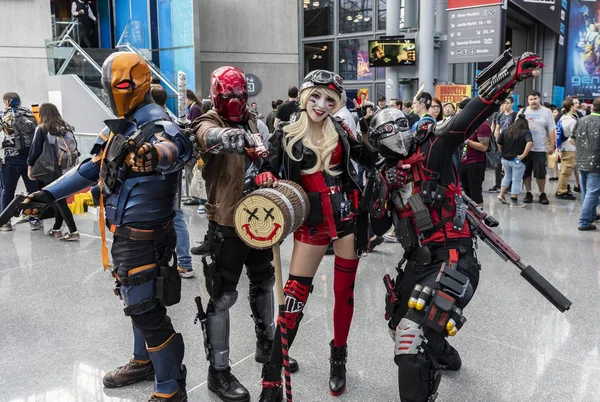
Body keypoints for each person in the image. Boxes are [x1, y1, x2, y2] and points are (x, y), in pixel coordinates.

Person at [365, 50, 543, 402]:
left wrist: (509, 77)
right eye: (386, 131)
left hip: (453, 257)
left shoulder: (433, 150)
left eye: (401, 125)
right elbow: (379, 224)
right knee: (397, 321)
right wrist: (381, 189)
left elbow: (468, 116)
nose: (397, 135)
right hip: (417, 262)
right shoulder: (384, 173)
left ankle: (430, 356)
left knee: (410, 338)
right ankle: (443, 353)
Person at [17, 53, 192, 400]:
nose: (115, 92)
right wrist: (48, 194)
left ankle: (171, 387)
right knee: (134, 299)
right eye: (110, 85)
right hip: (126, 232)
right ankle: (144, 361)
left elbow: (176, 147)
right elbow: (89, 169)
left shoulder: (158, 123)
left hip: (147, 233)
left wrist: (154, 155)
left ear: (140, 83)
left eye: (123, 84)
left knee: (145, 307)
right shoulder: (120, 127)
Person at [256, 70, 375, 400]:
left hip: (346, 219)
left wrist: (386, 144)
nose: (321, 104)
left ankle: (338, 358)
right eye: (316, 96)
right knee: (293, 300)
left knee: (344, 294)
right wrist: (265, 173)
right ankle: (271, 379)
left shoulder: (340, 131)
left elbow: (367, 156)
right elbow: (268, 163)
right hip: (311, 224)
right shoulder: (285, 135)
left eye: (329, 100)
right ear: (304, 96)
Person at [193, 66, 298, 402]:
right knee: (222, 296)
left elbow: (264, 158)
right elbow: (209, 137)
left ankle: (266, 345)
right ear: (216, 96)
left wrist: (267, 170)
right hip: (226, 220)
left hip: (258, 217)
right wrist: (229, 138)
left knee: (264, 281)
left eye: (242, 96)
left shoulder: (251, 121)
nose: (237, 102)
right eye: (230, 97)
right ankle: (218, 373)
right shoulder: (206, 121)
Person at [151, 84, 195, 278]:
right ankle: (181, 262)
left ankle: (183, 262)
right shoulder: (172, 120)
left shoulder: (158, 123)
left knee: (174, 218)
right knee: (175, 218)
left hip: (162, 179)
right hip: (172, 179)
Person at [26, 103, 80, 239]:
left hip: (51, 169)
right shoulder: (67, 127)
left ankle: (73, 231)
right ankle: (56, 229)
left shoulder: (43, 129)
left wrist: (30, 167)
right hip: (68, 168)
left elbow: (35, 150)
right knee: (58, 198)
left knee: (59, 200)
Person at [0, 92, 41, 231]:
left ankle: (5, 222)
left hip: (9, 159)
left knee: (8, 190)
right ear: (20, 101)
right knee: (32, 190)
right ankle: (34, 219)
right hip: (29, 158)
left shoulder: (2, 115)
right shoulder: (30, 113)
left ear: (6, 102)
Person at [569, 97, 600, 230]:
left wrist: (583, 149)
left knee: (586, 192)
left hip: (581, 159)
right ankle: (584, 221)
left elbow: (571, 139)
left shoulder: (581, 120)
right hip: (596, 162)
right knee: (593, 192)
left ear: (592, 107)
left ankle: (591, 215)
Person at [520, 90, 556, 205]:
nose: (533, 101)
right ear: (528, 100)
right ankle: (528, 192)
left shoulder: (547, 112)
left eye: (535, 98)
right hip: (524, 149)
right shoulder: (523, 111)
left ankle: (542, 193)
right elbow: (516, 128)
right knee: (526, 172)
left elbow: (551, 129)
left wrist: (552, 144)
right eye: (531, 99)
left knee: (540, 172)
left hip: (539, 149)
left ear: (539, 98)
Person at [496, 114, 533, 207]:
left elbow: (499, 143)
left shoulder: (505, 131)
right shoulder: (526, 132)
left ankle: (501, 194)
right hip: (517, 159)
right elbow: (530, 143)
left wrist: (503, 151)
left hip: (505, 159)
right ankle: (514, 200)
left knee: (507, 176)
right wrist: (524, 155)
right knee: (516, 180)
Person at [459, 98, 490, 207]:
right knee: (466, 194)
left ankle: (480, 219)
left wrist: (467, 141)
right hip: (464, 160)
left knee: (475, 194)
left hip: (476, 163)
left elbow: (484, 147)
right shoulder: (467, 123)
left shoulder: (482, 125)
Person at [488, 96, 517, 193]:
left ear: (512, 104)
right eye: (504, 103)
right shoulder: (500, 115)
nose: (505, 105)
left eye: (508, 103)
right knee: (498, 164)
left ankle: (509, 186)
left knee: (510, 165)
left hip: (511, 144)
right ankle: (498, 184)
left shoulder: (514, 115)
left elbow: (516, 130)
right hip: (500, 144)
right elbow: (497, 128)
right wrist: (497, 141)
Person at [183, 89, 204, 206]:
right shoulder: (194, 107)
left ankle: (195, 196)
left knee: (193, 171)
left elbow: (192, 126)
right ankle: (193, 195)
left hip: (194, 145)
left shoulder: (194, 108)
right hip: (194, 145)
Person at [556, 98, 578, 200]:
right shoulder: (571, 121)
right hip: (570, 148)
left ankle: (561, 189)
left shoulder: (563, 118)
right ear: (571, 106)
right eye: (575, 104)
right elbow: (574, 136)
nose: (577, 105)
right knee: (566, 171)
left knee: (564, 170)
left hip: (563, 147)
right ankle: (561, 191)